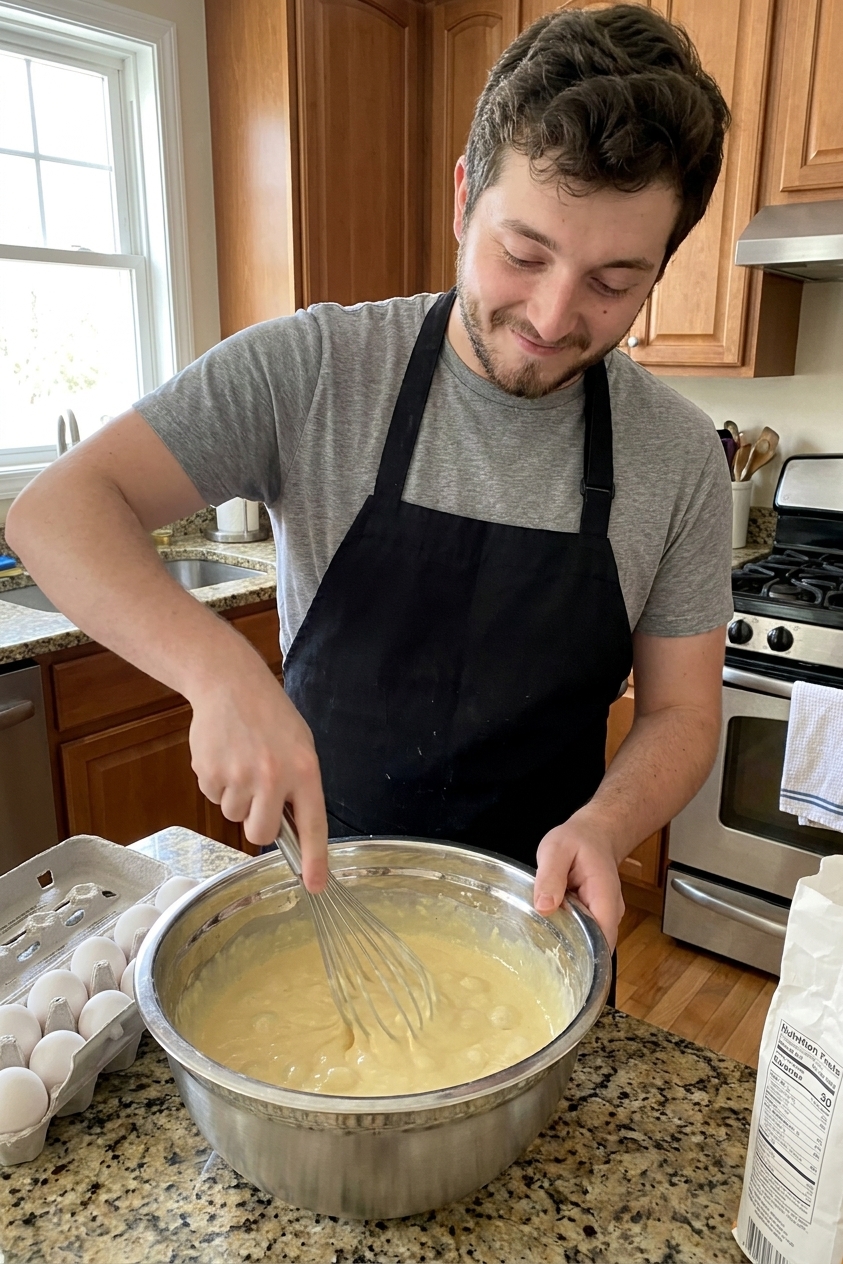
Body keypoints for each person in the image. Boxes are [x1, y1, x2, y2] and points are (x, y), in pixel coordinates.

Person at [7, 4, 733, 953]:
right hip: (316, 908)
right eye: (523, 254)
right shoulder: (316, 370)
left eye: (612, 281)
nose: (553, 316)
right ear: (464, 194)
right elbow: (55, 512)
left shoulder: (675, 455)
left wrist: (603, 826)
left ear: (660, 268)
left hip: (536, 929)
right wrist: (220, 672)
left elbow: (680, 712)